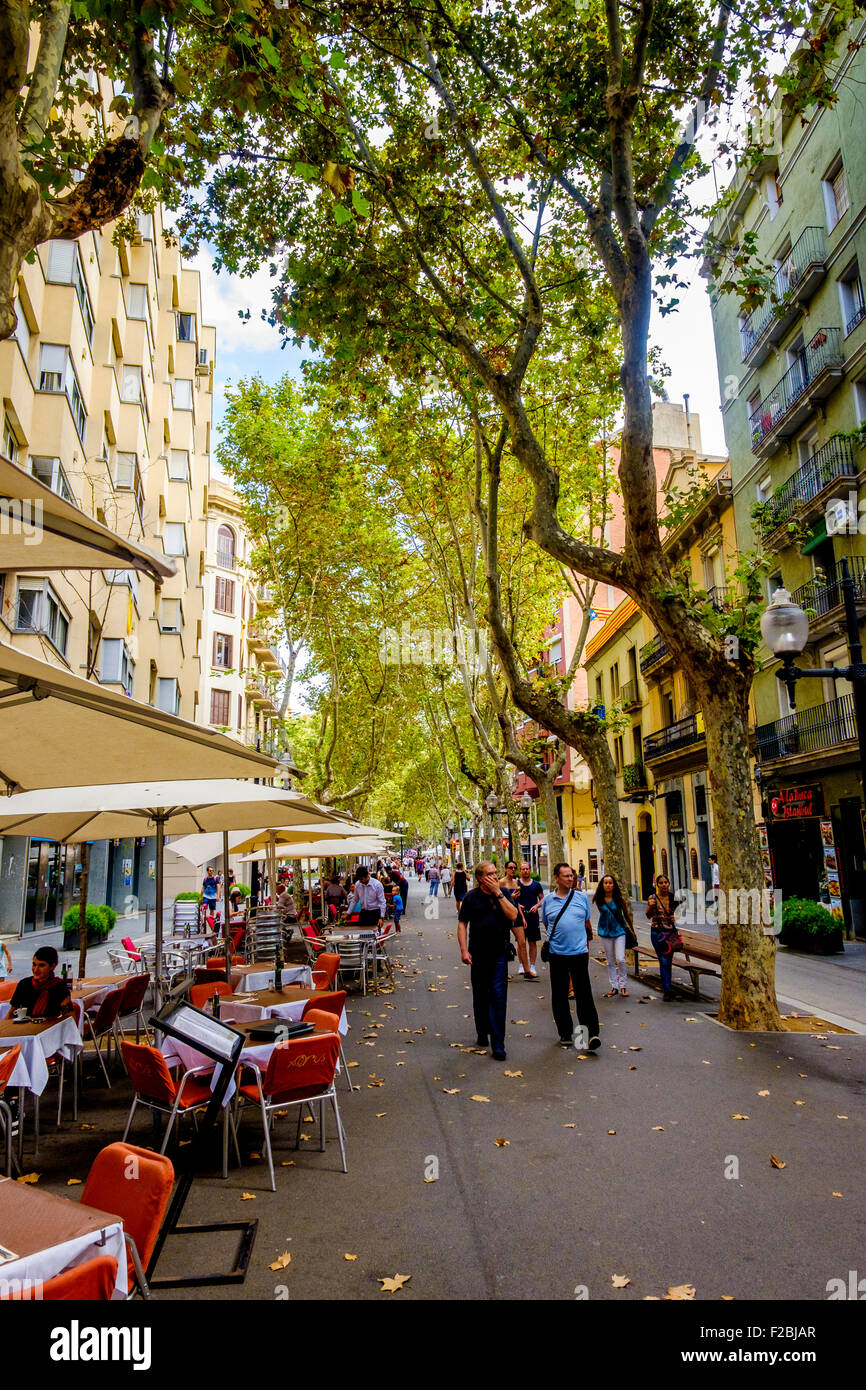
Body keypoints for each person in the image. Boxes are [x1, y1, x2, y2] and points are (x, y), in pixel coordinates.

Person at [457, 861, 521, 1061]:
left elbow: (513, 915)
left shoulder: (504, 894)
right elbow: (462, 924)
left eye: (495, 873)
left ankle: (498, 1043)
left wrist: (499, 894)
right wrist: (464, 950)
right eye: (490, 874)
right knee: (481, 996)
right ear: (480, 878)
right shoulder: (471, 897)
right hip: (477, 954)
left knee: (499, 996)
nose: (494, 877)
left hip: (499, 954)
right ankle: (482, 1031)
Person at [540, 863, 601, 1051]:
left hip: (579, 953)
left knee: (584, 994)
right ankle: (566, 1033)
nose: (570, 879)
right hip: (557, 954)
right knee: (559, 995)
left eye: (571, 876)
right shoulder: (548, 901)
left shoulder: (582, 898)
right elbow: (546, 923)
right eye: (565, 876)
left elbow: (586, 922)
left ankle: (590, 1035)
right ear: (556, 878)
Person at [594, 874, 634, 998]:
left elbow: (626, 914)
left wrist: (632, 930)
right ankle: (614, 986)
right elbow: (603, 914)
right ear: (602, 885)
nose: (608, 885)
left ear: (614, 885)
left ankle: (623, 985)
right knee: (610, 960)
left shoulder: (619, 899)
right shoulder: (599, 899)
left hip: (619, 931)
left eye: (610, 883)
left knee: (621, 958)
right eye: (605, 883)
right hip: (605, 932)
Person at [10, 947, 72, 1019]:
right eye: (34, 964)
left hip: (50, 1029)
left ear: (52, 966)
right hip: (24, 1028)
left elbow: (69, 1015)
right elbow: (11, 1013)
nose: (36, 970)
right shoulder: (24, 984)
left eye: (41, 965)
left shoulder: (60, 986)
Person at [646, 874, 681, 1001]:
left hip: (670, 933)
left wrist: (676, 917)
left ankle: (667, 987)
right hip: (657, 933)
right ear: (657, 885)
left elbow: (678, 913)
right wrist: (650, 906)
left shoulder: (673, 898)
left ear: (669, 884)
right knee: (663, 960)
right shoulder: (653, 898)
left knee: (668, 961)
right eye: (661, 883)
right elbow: (648, 916)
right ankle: (667, 990)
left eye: (666, 882)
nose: (664, 885)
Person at [499, 861, 531, 977]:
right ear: (505, 869)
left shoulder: (516, 882)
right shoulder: (500, 883)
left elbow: (517, 902)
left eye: (514, 868)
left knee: (522, 942)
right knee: (505, 944)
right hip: (504, 915)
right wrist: (509, 897)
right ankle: (503, 971)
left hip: (516, 914)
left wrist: (522, 917)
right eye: (510, 867)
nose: (513, 870)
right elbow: (498, 900)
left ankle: (527, 970)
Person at [514, 862, 544, 978]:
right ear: (520, 871)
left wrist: (536, 906)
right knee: (520, 942)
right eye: (523, 869)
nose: (525, 871)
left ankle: (532, 965)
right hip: (519, 916)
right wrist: (518, 905)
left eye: (527, 869)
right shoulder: (516, 884)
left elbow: (542, 899)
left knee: (532, 942)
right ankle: (522, 964)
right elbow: (513, 898)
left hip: (533, 917)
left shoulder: (536, 885)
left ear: (530, 870)